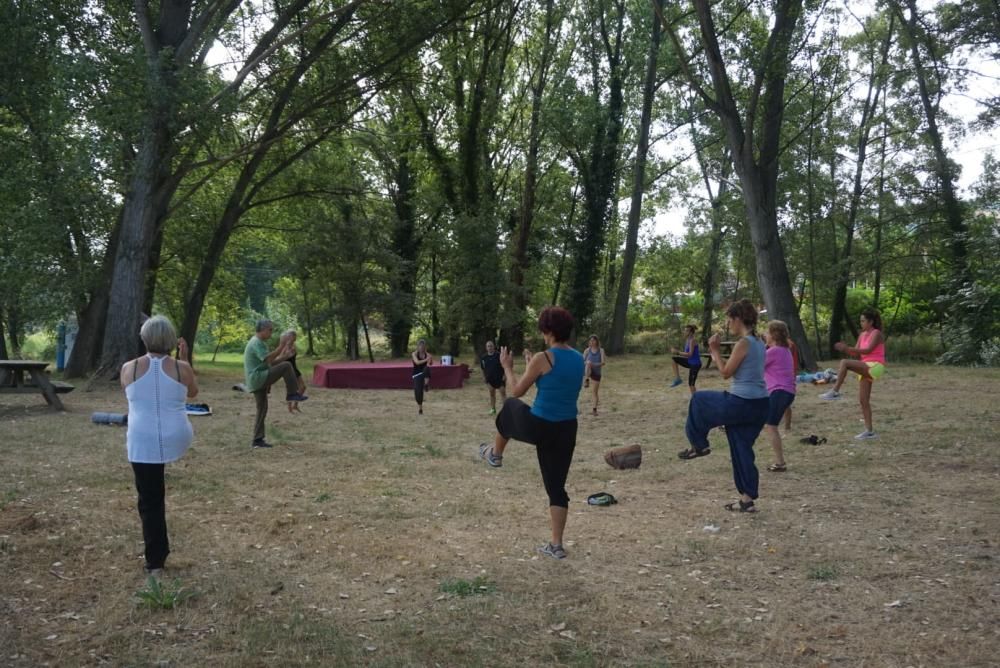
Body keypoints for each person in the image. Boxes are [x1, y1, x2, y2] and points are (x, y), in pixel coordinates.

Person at [477, 306, 585, 559]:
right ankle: (556, 545)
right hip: (567, 428)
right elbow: (558, 388)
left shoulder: (544, 357)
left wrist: (507, 367)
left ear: (548, 330)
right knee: (556, 487)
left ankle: (495, 454)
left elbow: (516, 391)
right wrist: (531, 368)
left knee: (510, 406)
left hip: (541, 426)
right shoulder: (580, 358)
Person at [120, 315, 198, 580]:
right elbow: (193, 392)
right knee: (154, 494)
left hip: (142, 439)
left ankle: (155, 562)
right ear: (170, 339)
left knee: (150, 501)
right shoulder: (181, 368)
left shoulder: (128, 368)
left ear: (144, 338)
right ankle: (157, 556)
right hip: (177, 434)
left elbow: (133, 394)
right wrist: (185, 359)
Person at [677, 299, 770, 513]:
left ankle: (699, 444)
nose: (729, 324)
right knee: (741, 447)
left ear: (738, 319)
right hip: (761, 404)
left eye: (730, 319)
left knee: (699, 400)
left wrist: (714, 350)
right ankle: (747, 500)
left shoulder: (744, 343)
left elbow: (726, 372)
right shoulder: (759, 341)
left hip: (742, 403)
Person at [820, 308, 886, 440]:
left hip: (875, 366)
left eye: (863, 321)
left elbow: (867, 350)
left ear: (871, 322)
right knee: (863, 400)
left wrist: (847, 348)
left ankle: (835, 391)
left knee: (844, 363)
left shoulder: (876, 333)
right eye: (860, 321)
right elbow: (856, 353)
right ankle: (869, 431)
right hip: (865, 366)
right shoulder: (862, 335)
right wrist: (845, 348)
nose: (861, 323)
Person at [244, 319, 308, 448]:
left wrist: (286, 355)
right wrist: (281, 346)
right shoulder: (256, 342)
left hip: (257, 379)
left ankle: (257, 440)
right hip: (258, 378)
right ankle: (291, 394)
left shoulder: (260, 343)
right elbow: (268, 359)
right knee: (286, 366)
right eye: (270, 330)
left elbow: (270, 363)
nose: (271, 333)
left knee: (262, 409)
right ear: (262, 329)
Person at [763, 320, 796, 472]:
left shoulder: (774, 351)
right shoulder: (784, 350)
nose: (765, 335)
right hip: (786, 392)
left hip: (779, 391)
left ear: (774, 335)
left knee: (771, 426)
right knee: (767, 423)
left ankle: (780, 463)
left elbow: (755, 365)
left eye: (767, 332)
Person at [281, 329, 308, 413]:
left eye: (295, 336)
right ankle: (289, 407)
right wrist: (288, 352)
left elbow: (294, 355)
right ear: (289, 336)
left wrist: (293, 351)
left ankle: (295, 405)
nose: (295, 338)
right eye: (294, 336)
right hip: (289, 369)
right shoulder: (285, 345)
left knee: (303, 387)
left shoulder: (293, 345)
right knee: (291, 388)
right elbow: (281, 357)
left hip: (295, 368)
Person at [669, 324, 702, 393]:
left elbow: (689, 354)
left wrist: (677, 352)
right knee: (674, 359)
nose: (685, 332)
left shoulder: (692, 340)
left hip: (695, 365)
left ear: (691, 332)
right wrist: (677, 352)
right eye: (685, 330)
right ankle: (678, 379)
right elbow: (686, 354)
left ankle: (696, 400)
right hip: (689, 362)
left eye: (687, 331)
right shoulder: (688, 340)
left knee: (691, 384)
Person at [480, 340, 506, 415]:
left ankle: (505, 410)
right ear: (486, 348)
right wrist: (484, 377)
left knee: (503, 393)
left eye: (491, 346)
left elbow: (504, 366)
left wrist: (504, 375)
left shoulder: (499, 355)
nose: (490, 347)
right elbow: (482, 368)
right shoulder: (484, 357)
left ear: (494, 347)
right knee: (492, 393)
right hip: (489, 378)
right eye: (488, 346)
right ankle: (493, 409)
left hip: (500, 378)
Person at [583, 335, 606, 415]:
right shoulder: (587, 350)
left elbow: (603, 363)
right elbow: (582, 361)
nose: (592, 342)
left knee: (595, 392)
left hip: (597, 372)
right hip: (588, 371)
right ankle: (586, 380)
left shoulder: (601, 350)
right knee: (588, 363)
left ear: (597, 341)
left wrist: (594, 364)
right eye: (591, 340)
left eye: (593, 340)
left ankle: (594, 409)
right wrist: (588, 363)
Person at [411, 339, 433, 415]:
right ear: (418, 347)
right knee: (418, 393)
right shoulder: (414, 354)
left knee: (427, 368)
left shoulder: (428, 354)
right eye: (420, 347)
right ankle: (420, 409)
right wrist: (427, 358)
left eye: (423, 347)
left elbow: (429, 364)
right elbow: (417, 362)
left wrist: (429, 359)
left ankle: (426, 384)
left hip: (424, 373)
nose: (421, 348)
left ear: (425, 347)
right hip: (416, 374)